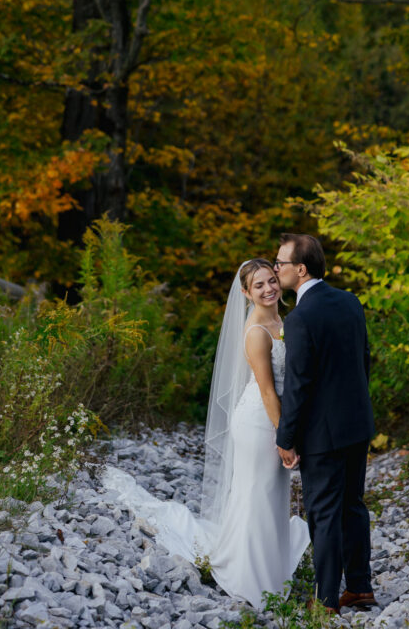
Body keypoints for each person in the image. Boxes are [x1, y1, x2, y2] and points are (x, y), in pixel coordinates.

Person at [101, 258, 309, 610]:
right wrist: (284, 438)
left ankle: (269, 571)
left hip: (274, 418)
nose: (269, 288)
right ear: (245, 293)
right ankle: (250, 579)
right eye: (258, 285)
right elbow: (267, 392)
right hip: (260, 421)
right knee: (257, 492)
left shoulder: (281, 321)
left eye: (272, 280)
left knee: (272, 493)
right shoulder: (257, 331)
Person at [274, 233, 378, 614]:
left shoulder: (300, 318)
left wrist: (286, 437)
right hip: (357, 422)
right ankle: (361, 588)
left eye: (280, 263)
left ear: (300, 269)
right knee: (352, 504)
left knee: (323, 513)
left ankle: (326, 600)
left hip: (323, 433)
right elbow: (364, 360)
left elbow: (299, 386)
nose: (276, 269)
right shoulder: (350, 301)